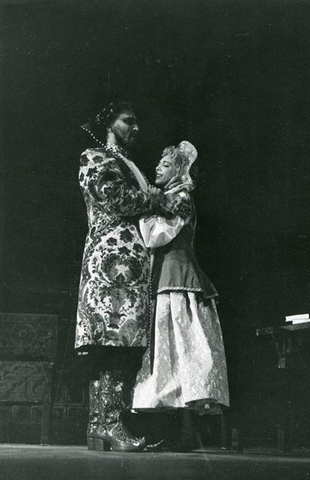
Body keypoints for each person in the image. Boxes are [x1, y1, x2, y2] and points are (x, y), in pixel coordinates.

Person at [75, 101, 180, 452]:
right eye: (128, 121)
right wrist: (155, 200)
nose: (135, 128)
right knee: (113, 344)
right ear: (109, 122)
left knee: (121, 344)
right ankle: (107, 424)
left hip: (129, 262)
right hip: (110, 262)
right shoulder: (95, 156)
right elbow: (114, 197)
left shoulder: (128, 163)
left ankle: (103, 424)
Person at [132, 141, 230, 450]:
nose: (158, 167)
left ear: (180, 172)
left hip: (178, 282)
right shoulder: (167, 199)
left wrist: (149, 207)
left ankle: (183, 431)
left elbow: (155, 236)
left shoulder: (180, 199)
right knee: (168, 354)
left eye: (166, 164)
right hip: (163, 280)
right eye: (159, 162)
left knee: (181, 350)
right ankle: (172, 429)